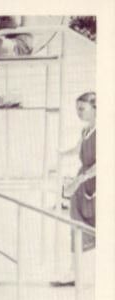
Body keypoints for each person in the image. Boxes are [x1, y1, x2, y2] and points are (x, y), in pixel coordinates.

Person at [52, 92, 96, 286]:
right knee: (76, 227)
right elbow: (78, 150)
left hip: (95, 184)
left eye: (82, 108)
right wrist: (60, 154)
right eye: (77, 108)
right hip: (83, 183)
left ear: (95, 109)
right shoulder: (85, 131)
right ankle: (74, 272)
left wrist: (80, 180)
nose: (78, 112)